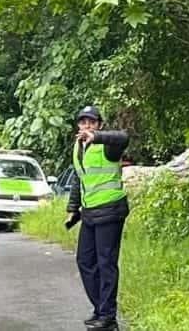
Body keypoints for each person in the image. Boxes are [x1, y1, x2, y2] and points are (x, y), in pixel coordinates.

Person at [67, 106, 129, 331]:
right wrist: (73, 208)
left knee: (106, 264)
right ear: (78, 125)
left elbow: (125, 137)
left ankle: (108, 316)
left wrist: (98, 137)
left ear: (99, 125)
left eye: (92, 122)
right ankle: (101, 309)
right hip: (90, 213)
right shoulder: (78, 147)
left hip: (110, 210)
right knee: (84, 261)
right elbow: (79, 177)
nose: (87, 126)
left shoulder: (108, 145)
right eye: (83, 122)